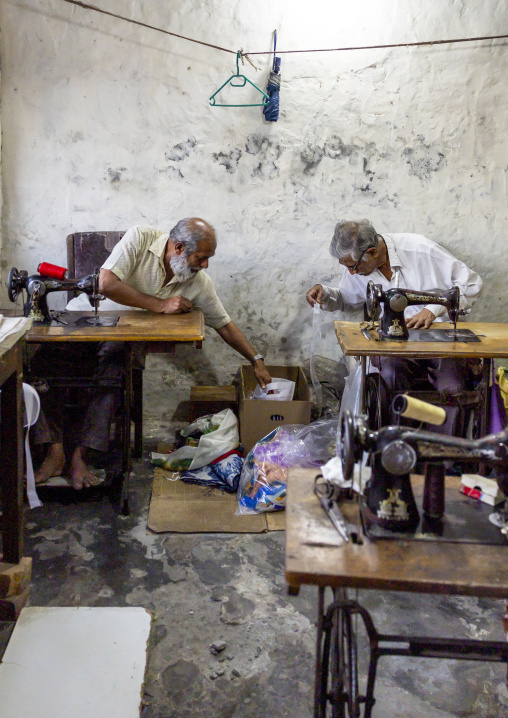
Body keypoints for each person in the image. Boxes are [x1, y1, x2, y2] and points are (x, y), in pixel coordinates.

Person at [33, 218, 271, 489]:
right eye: (201, 258)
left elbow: (224, 325)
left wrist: (256, 359)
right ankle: (55, 451)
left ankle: (79, 457)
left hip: (121, 340)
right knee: (42, 363)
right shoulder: (140, 238)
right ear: (179, 248)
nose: (205, 265)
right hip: (82, 319)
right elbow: (106, 283)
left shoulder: (197, 283)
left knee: (114, 369)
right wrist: (159, 305)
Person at [306, 219, 483, 434]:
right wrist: (326, 294)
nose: (351, 273)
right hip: (397, 343)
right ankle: (396, 446)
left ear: (371, 252)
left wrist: (433, 310)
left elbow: (472, 283)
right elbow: (346, 297)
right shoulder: (360, 266)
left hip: (440, 337)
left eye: (352, 267)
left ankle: (445, 454)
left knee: (452, 388)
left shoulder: (421, 250)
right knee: (389, 376)